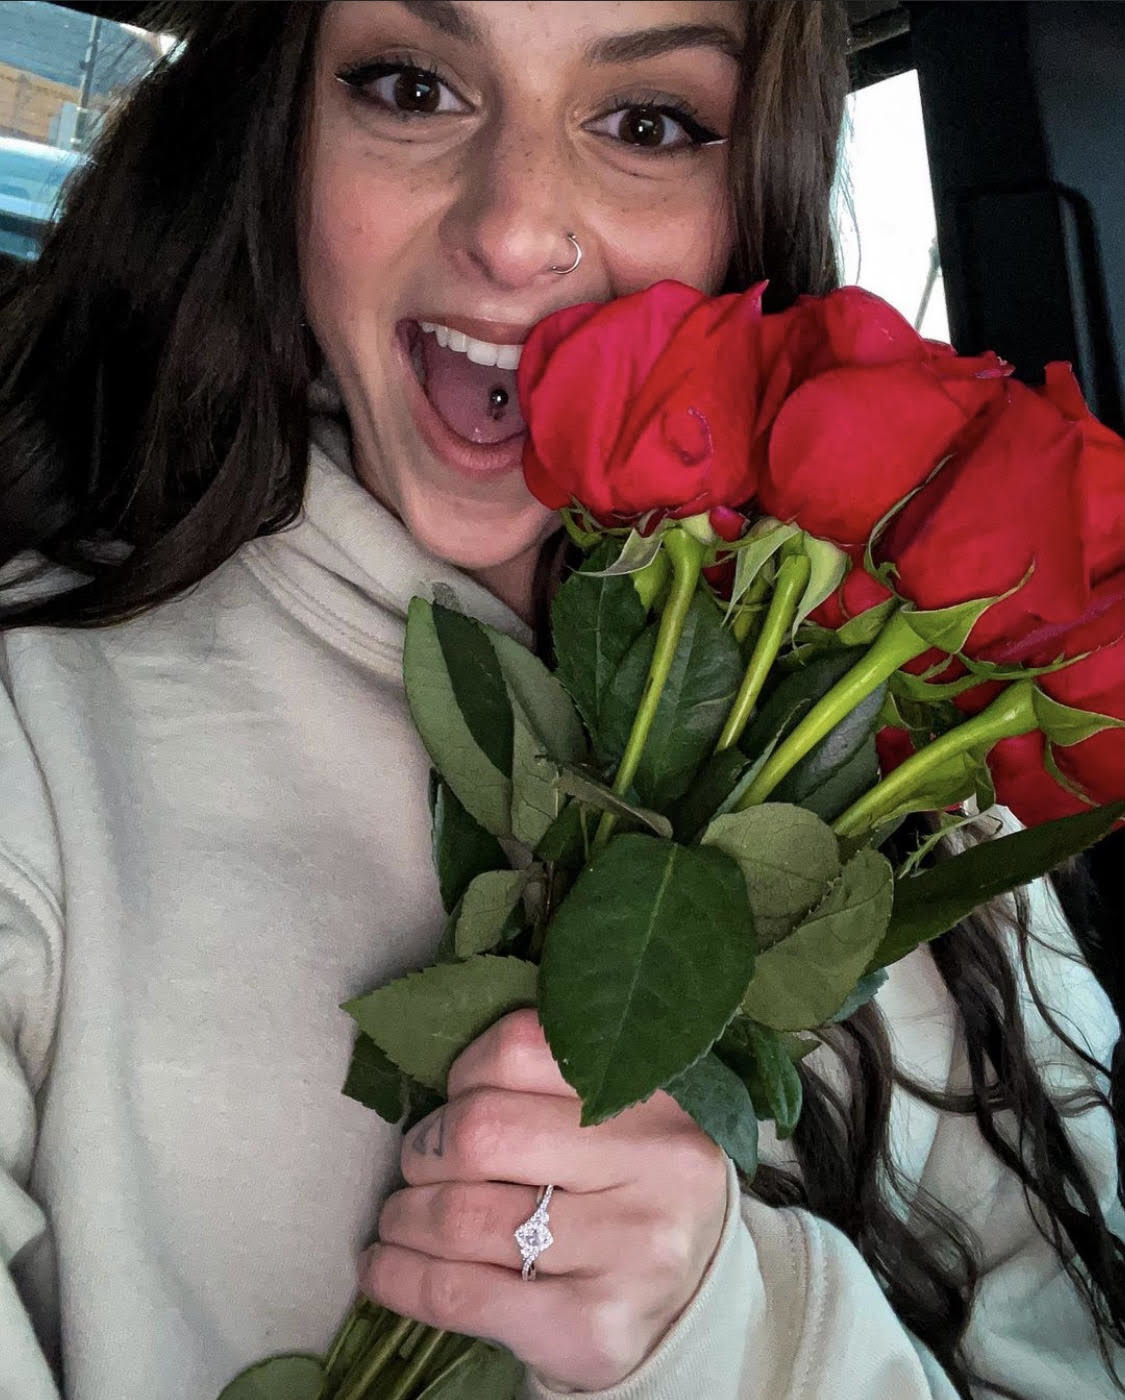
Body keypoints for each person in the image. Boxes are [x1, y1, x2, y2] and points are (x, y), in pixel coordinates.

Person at [0, 2, 1122, 1397]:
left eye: (647, 123)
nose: (518, 228)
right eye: (412, 88)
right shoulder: (35, 705)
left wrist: (736, 1338)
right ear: (278, 140)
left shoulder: (912, 767)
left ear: (749, 196)